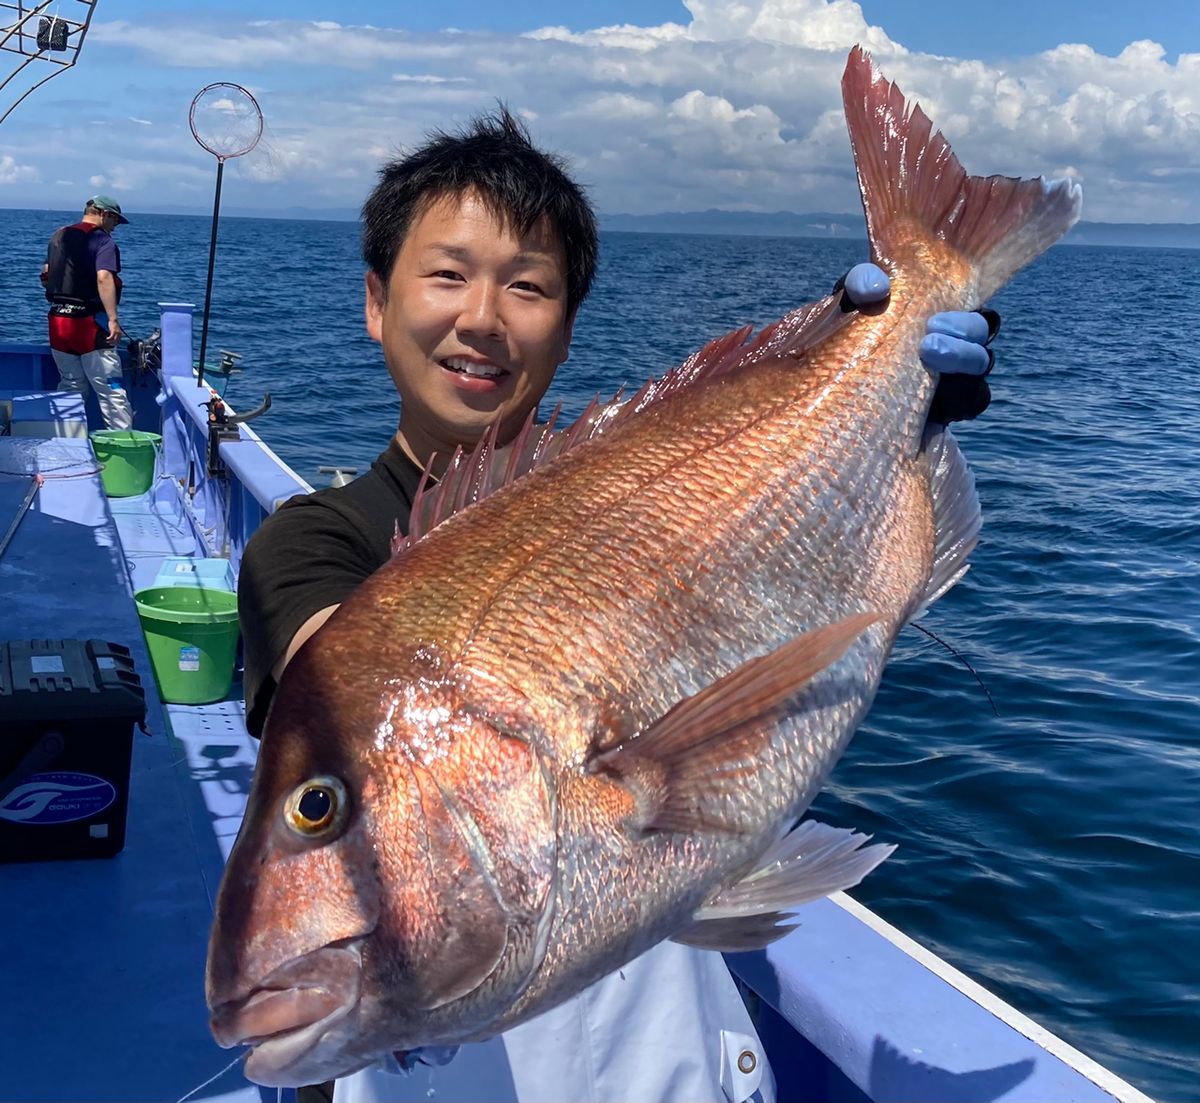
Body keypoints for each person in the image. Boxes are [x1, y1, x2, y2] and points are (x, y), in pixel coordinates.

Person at [237, 109, 996, 1103]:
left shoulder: (635, 487)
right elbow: (354, 705)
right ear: (377, 301)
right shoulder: (310, 544)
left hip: (682, 1059)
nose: (482, 316)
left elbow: (800, 630)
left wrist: (895, 397)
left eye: (528, 284)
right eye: (448, 273)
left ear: (565, 320)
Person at [40, 194, 134, 430]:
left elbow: (46, 274)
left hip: (59, 323)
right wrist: (113, 319)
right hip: (89, 325)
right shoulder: (103, 242)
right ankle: (122, 447)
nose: (115, 228)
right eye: (115, 221)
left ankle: (66, 443)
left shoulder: (59, 235)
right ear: (105, 214)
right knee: (111, 390)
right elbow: (104, 277)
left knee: (71, 386)